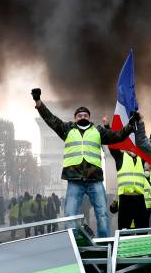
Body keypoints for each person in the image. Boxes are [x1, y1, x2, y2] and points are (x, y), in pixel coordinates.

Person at [33, 88, 137, 238]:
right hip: (75, 179)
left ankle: (105, 243)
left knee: (102, 214)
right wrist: (38, 102)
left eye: (85, 115)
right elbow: (51, 119)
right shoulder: (66, 129)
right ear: (75, 118)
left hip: (94, 179)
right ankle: (75, 242)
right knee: (70, 215)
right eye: (79, 115)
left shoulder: (99, 131)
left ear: (89, 118)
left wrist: (130, 125)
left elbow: (117, 136)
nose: (82, 116)